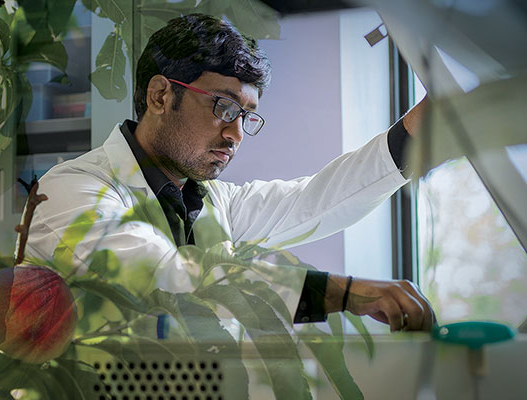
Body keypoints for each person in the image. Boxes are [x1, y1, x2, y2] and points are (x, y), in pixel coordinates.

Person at [22, 13, 435, 333]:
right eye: (224, 107)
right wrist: (343, 293)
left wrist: (424, 128)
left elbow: (316, 200)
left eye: (247, 116)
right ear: (161, 95)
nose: (236, 133)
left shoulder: (211, 202)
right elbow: (165, 277)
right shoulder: (70, 189)